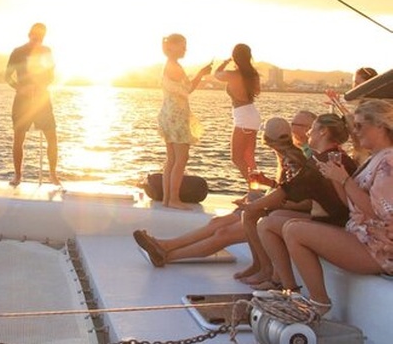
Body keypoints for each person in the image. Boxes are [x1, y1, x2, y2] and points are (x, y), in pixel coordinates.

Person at [132, 110, 316, 267]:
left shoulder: (297, 159)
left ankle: (167, 256)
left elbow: (306, 201)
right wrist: (268, 184)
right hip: (273, 207)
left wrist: (261, 204)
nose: (294, 127)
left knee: (224, 233)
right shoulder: (289, 155)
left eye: (298, 124)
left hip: (282, 213)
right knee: (216, 223)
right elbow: (291, 189)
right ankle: (165, 246)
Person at [283, 99, 393, 316]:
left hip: (378, 250)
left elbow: (380, 213)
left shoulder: (388, 162)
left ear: (380, 125)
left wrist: (345, 180)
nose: (355, 131)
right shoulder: (375, 159)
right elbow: (351, 205)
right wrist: (336, 177)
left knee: (294, 230)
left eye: (360, 126)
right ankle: (302, 295)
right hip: (361, 237)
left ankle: (319, 303)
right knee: (291, 225)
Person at [237, 114, 357, 286]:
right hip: (331, 219)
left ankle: (286, 286)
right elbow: (290, 188)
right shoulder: (336, 156)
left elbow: (286, 191)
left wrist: (251, 207)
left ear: (323, 132)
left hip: (334, 224)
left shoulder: (321, 162)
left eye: (312, 128)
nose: (308, 133)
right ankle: (274, 276)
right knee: (274, 215)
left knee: (266, 224)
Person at [156, 34, 212, 209]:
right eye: (182, 46)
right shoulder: (175, 67)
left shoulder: (169, 65)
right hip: (177, 116)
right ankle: (173, 199)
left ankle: (167, 199)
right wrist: (201, 74)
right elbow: (187, 89)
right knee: (181, 158)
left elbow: (184, 90)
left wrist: (201, 74)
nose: (185, 49)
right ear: (172, 47)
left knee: (171, 159)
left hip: (168, 114)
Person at [5, 23, 60, 187]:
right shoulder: (18, 52)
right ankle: (17, 175)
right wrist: (20, 88)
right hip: (22, 101)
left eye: (41, 37)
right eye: (36, 36)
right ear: (29, 34)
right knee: (19, 137)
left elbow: (51, 76)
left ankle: (52, 174)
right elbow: (7, 76)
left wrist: (41, 85)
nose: (38, 40)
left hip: (42, 99)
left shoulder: (46, 51)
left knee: (52, 137)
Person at [214, 44, 261, 182]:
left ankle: (254, 188)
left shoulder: (232, 75)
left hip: (243, 117)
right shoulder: (253, 74)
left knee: (237, 158)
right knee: (249, 157)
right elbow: (257, 91)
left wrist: (225, 62)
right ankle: (254, 192)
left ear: (235, 57)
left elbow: (216, 74)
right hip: (252, 114)